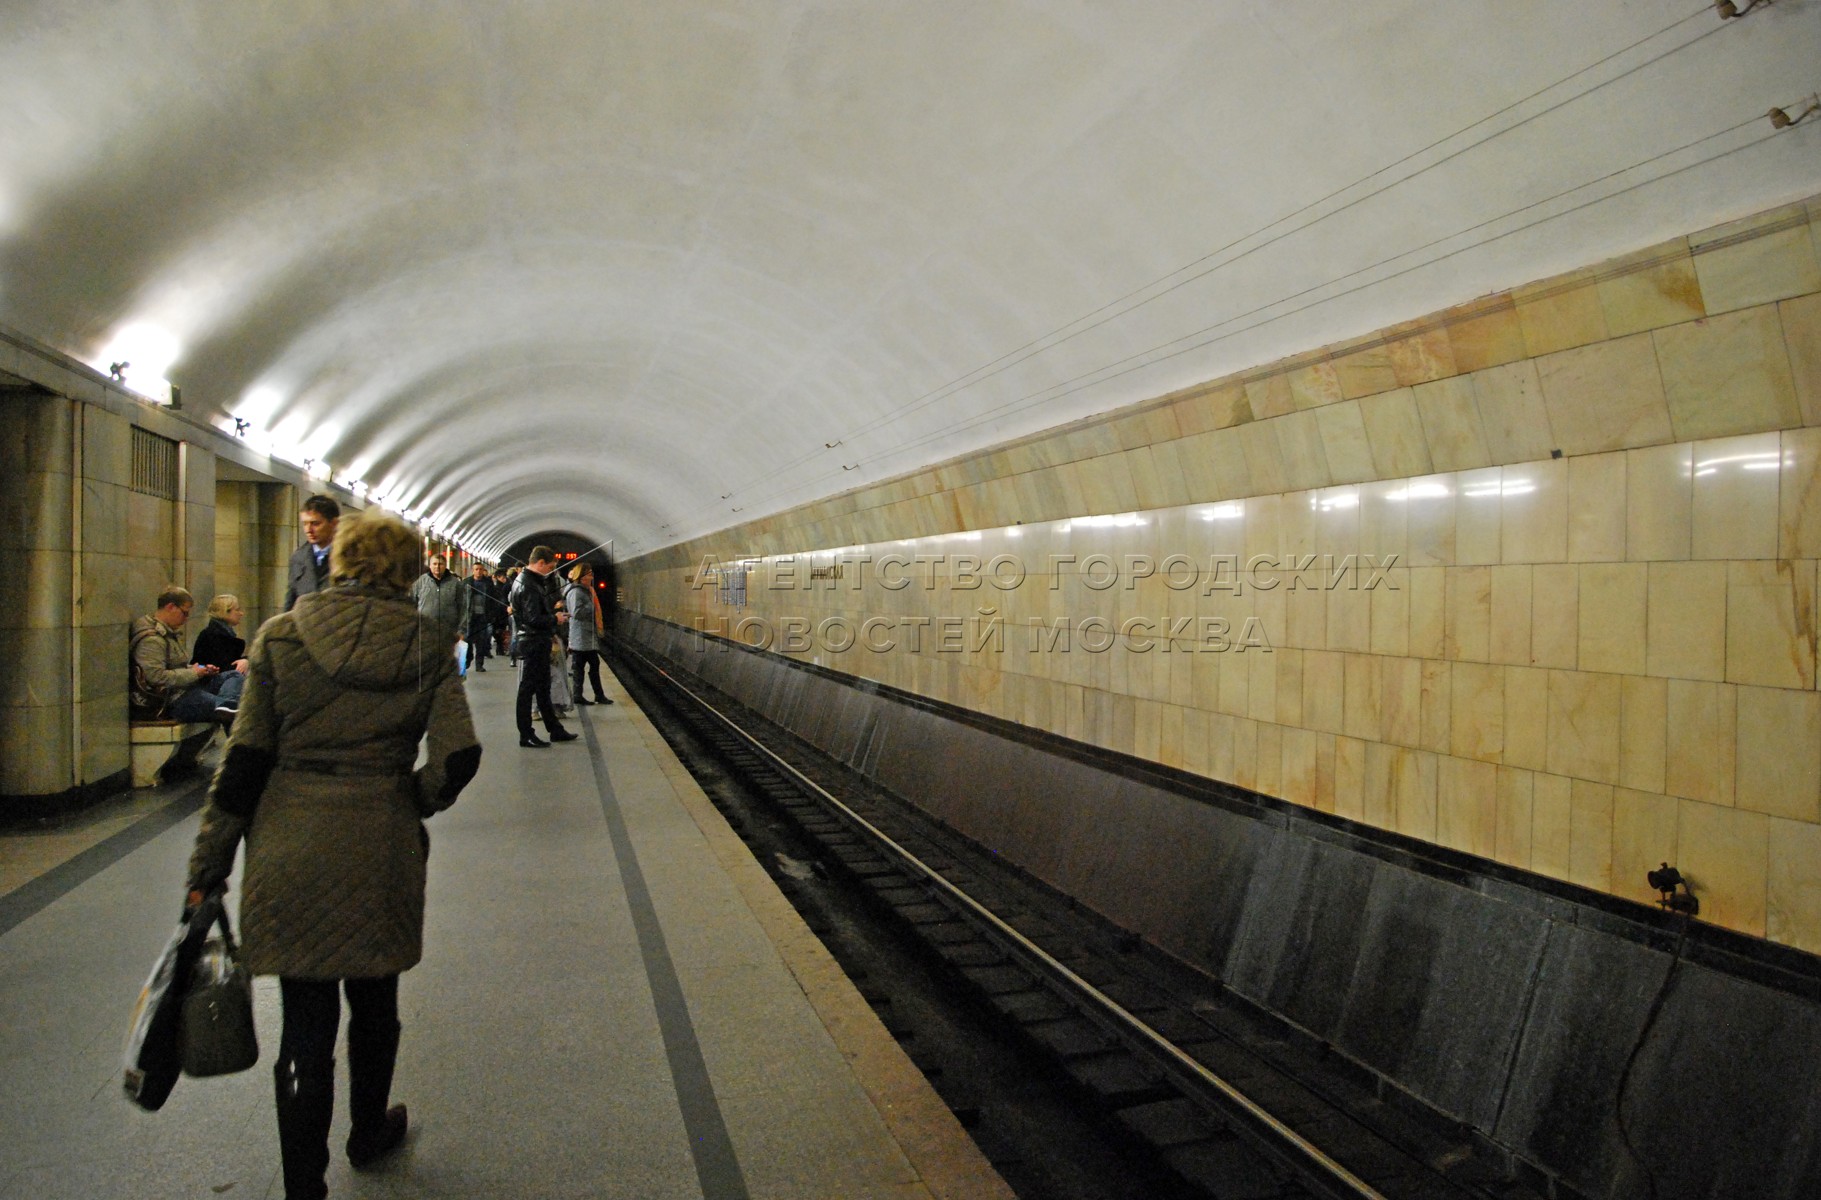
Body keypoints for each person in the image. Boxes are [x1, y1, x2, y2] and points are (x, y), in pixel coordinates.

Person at [183, 509, 481, 1200]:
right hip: (380, 840)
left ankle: (303, 1186)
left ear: (339, 558)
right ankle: (369, 1130)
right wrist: (416, 798)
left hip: (289, 842)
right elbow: (459, 754)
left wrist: (207, 869)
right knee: (376, 1003)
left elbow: (245, 763)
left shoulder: (281, 637)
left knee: (305, 1024)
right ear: (407, 569)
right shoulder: (425, 642)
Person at [130, 586, 247, 724]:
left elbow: (175, 665)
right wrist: (194, 673)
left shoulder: (168, 633)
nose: (186, 619)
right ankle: (225, 707)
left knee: (233, 676)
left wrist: (199, 668)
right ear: (171, 607)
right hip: (173, 699)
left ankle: (225, 705)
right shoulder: (152, 640)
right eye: (184, 613)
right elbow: (156, 677)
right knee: (236, 711)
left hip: (187, 688)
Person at [509, 547, 575, 748]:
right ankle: (526, 734)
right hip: (533, 641)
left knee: (542, 687)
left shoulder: (526, 581)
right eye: (551, 567)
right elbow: (533, 618)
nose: (551, 571)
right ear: (540, 563)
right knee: (528, 689)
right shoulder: (528, 585)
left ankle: (554, 729)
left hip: (535, 640)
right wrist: (555, 618)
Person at [563, 563, 613, 706]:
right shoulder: (576, 592)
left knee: (591, 665)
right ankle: (581, 695)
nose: (592, 576)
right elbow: (576, 613)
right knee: (581, 667)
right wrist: (591, 606)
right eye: (589, 574)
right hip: (580, 636)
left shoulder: (585, 590)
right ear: (581, 576)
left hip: (586, 636)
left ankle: (597, 695)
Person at [284, 495, 340, 611]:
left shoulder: (350, 557)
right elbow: (291, 600)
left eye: (315, 523)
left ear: (334, 523)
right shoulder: (298, 558)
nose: (308, 530)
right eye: (305, 523)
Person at [410, 552, 468, 645]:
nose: (437, 566)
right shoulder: (420, 582)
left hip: (448, 630)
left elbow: (463, 608)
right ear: (430, 565)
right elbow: (411, 604)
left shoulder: (455, 584)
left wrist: (461, 630)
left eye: (440, 564)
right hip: (424, 630)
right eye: (434, 564)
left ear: (445, 565)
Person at [191, 594, 250, 675]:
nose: (241, 613)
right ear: (225, 612)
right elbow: (222, 667)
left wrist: (245, 661)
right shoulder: (211, 636)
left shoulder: (225, 635)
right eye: (237, 610)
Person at [462, 563, 494, 672]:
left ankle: (479, 664)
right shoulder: (466, 582)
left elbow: (493, 599)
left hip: (483, 616)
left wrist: (491, 615)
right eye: (476, 569)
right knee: (467, 639)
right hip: (470, 616)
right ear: (473, 570)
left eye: (480, 569)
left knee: (481, 641)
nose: (479, 571)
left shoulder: (488, 583)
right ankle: (468, 658)